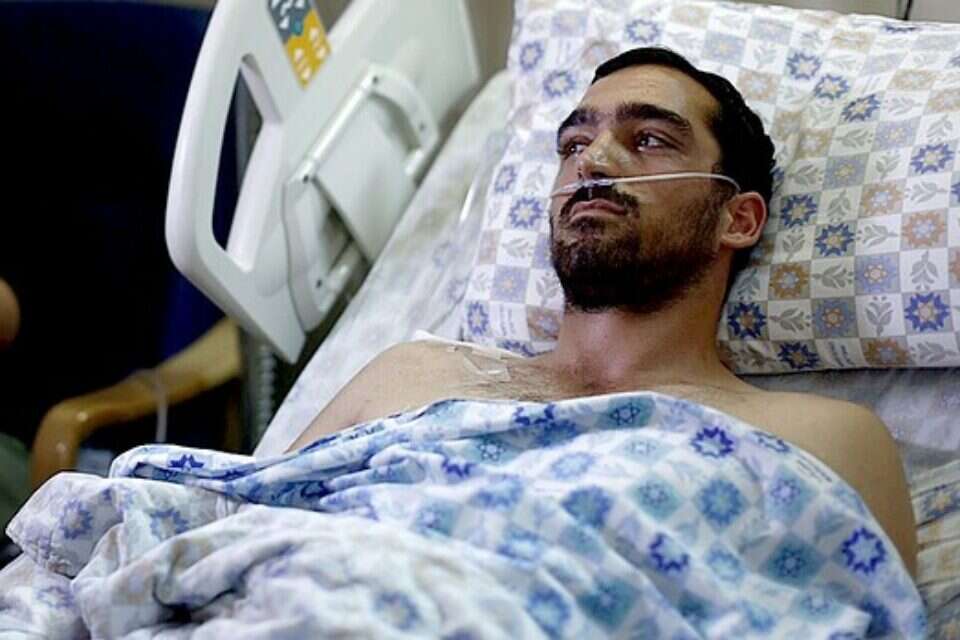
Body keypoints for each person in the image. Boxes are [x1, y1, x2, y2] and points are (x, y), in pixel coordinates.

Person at [289, 47, 916, 576]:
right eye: (574, 144)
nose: (592, 162)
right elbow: (250, 521)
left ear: (738, 218)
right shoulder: (411, 374)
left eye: (649, 140)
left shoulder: (823, 439)